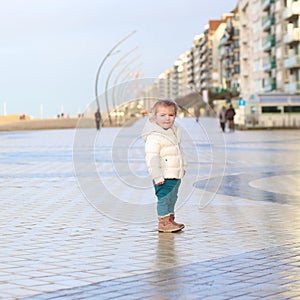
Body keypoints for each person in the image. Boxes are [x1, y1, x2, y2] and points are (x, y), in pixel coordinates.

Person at [142, 99, 187, 233]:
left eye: (171, 115)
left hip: (175, 174)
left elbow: (179, 151)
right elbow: (152, 158)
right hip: (163, 176)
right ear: (154, 117)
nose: (167, 118)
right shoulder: (154, 136)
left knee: (172, 198)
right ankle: (163, 223)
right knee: (164, 198)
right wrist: (157, 176)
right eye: (162, 115)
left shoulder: (173, 131)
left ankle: (170, 220)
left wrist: (183, 166)